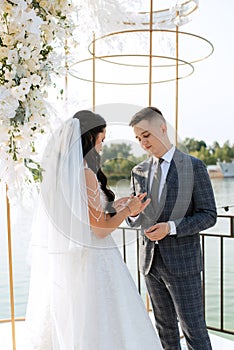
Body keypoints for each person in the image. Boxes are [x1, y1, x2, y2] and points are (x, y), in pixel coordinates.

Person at [25, 110, 163, 350]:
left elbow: (84, 218)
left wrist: (115, 206)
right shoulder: (86, 174)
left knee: (77, 320)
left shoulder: (60, 175)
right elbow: (100, 230)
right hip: (96, 257)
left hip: (73, 260)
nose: (102, 145)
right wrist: (128, 210)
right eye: (101, 139)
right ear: (89, 138)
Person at [127, 106, 217, 350]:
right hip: (150, 263)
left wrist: (171, 227)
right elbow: (135, 218)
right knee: (164, 329)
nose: (142, 142)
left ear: (163, 128)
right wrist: (132, 214)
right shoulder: (138, 171)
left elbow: (209, 215)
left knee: (194, 330)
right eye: (138, 138)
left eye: (146, 135)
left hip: (183, 264)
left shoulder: (194, 166)